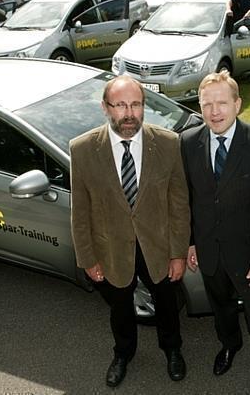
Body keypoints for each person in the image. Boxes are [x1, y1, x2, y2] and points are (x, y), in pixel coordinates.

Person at [70, 76, 190, 388]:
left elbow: (179, 204)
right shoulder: (82, 150)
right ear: (105, 108)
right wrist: (87, 258)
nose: (129, 113)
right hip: (111, 251)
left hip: (158, 247)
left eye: (136, 104)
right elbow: (80, 213)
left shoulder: (167, 143)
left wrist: (178, 252)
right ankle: (123, 353)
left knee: (166, 303)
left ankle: (172, 349)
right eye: (121, 105)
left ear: (144, 107)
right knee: (120, 308)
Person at [180, 71, 250, 395]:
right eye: (207, 104)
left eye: (222, 103)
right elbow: (189, 199)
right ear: (200, 106)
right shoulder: (187, 142)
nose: (215, 111)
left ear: (237, 104)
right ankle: (230, 345)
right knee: (222, 310)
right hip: (211, 254)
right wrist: (191, 242)